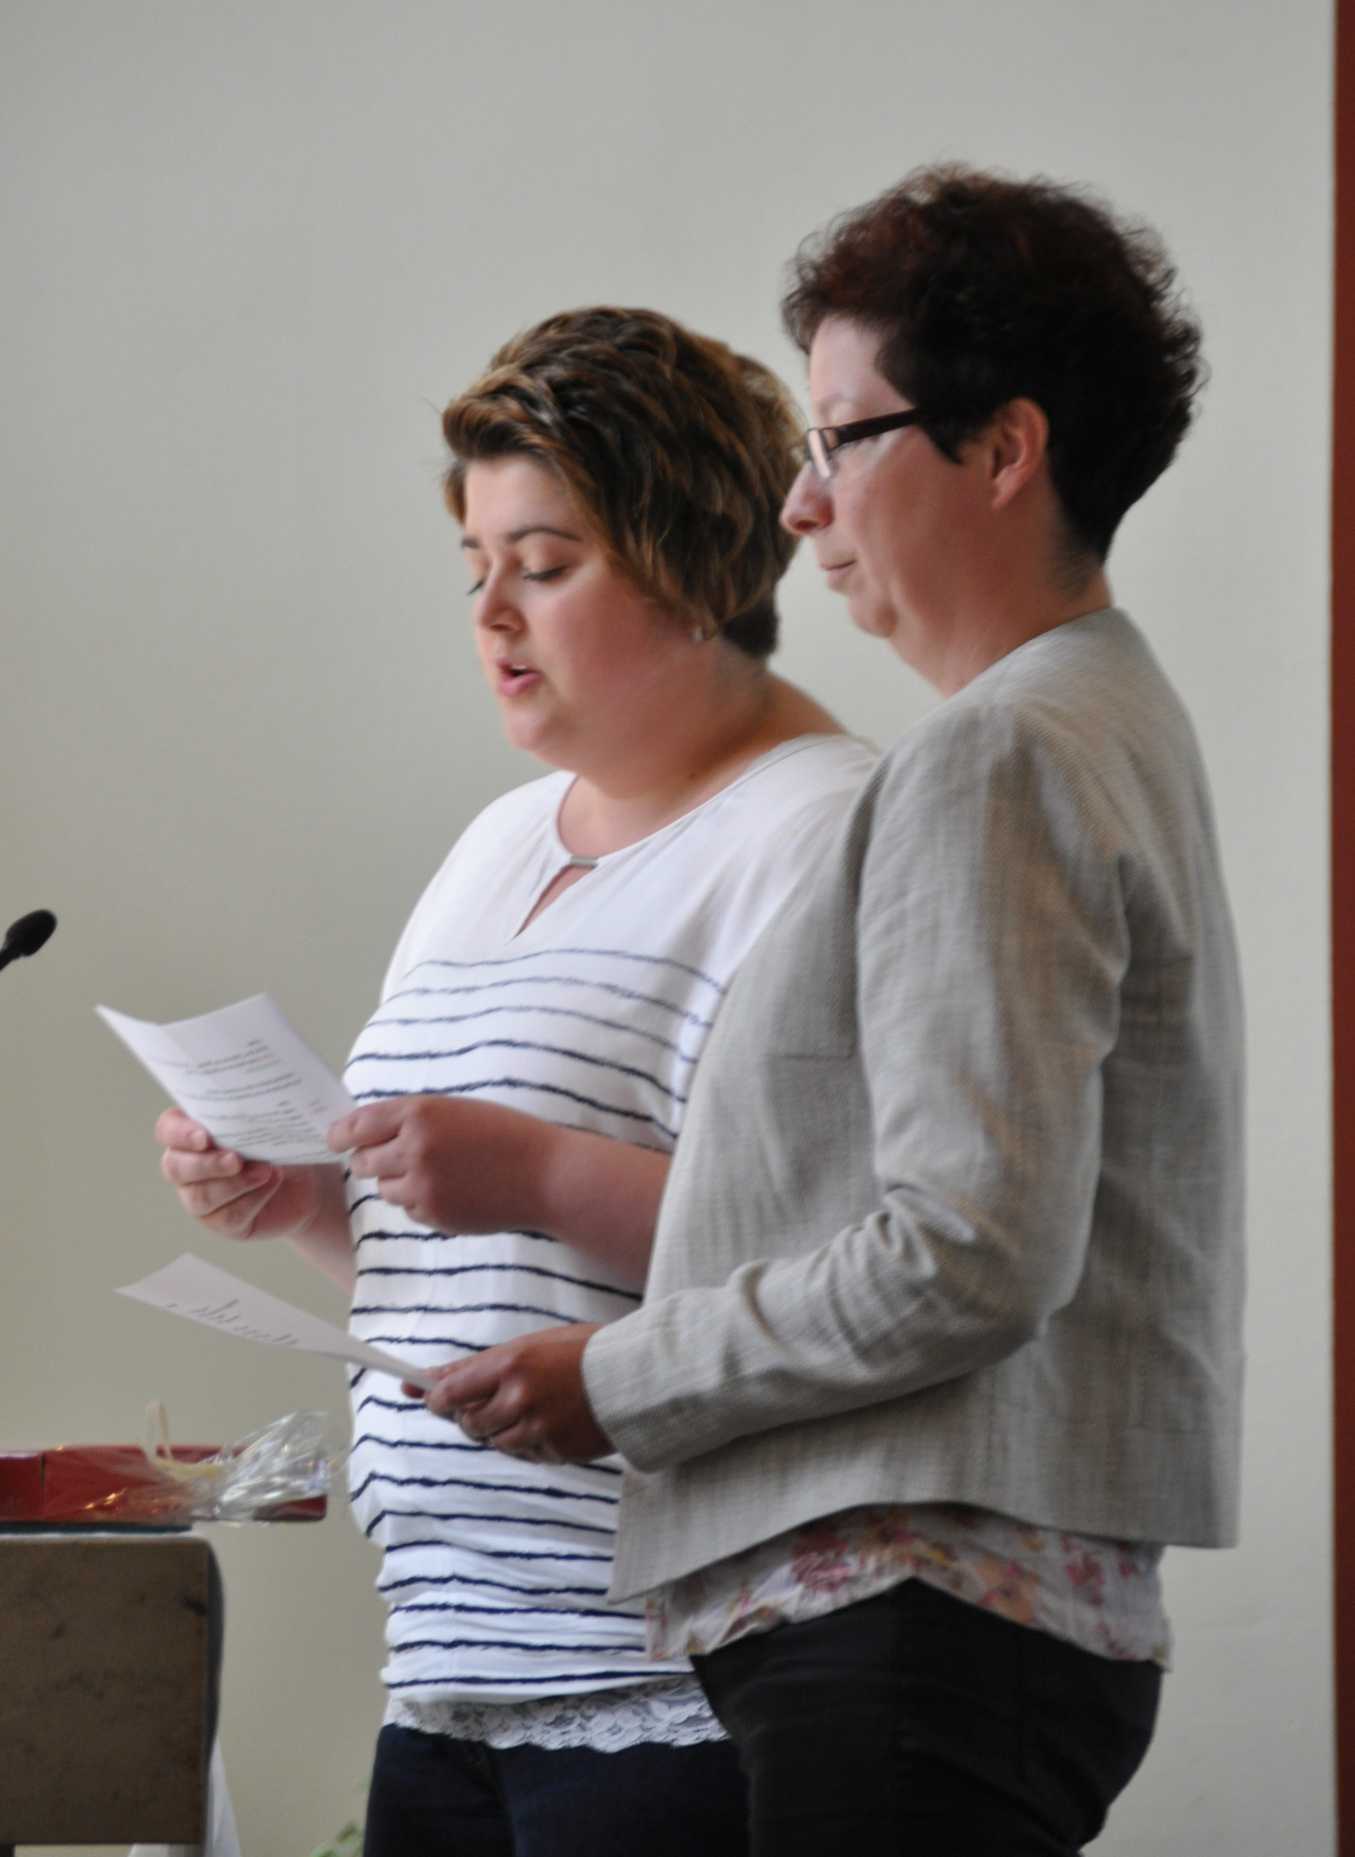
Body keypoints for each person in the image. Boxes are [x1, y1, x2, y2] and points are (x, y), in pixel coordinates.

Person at [419, 169, 1247, 1855]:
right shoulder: (1102, 712)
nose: (803, 508)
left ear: (1003, 451)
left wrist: (619, 1375)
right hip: (958, 1635)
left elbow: (965, 1251)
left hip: (913, 1626)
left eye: (844, 440)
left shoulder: (1000, 749)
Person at [154, 305, 876, 1856]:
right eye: (474, 566)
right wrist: (303, 1203)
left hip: (674, 1682)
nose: (491, 612)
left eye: (542, 565)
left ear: (695, 563)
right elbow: (466, 1259)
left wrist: (539, 1173)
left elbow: (855, 1266)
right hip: (450, 1668)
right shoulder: (497, 843)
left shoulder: (829, 830)